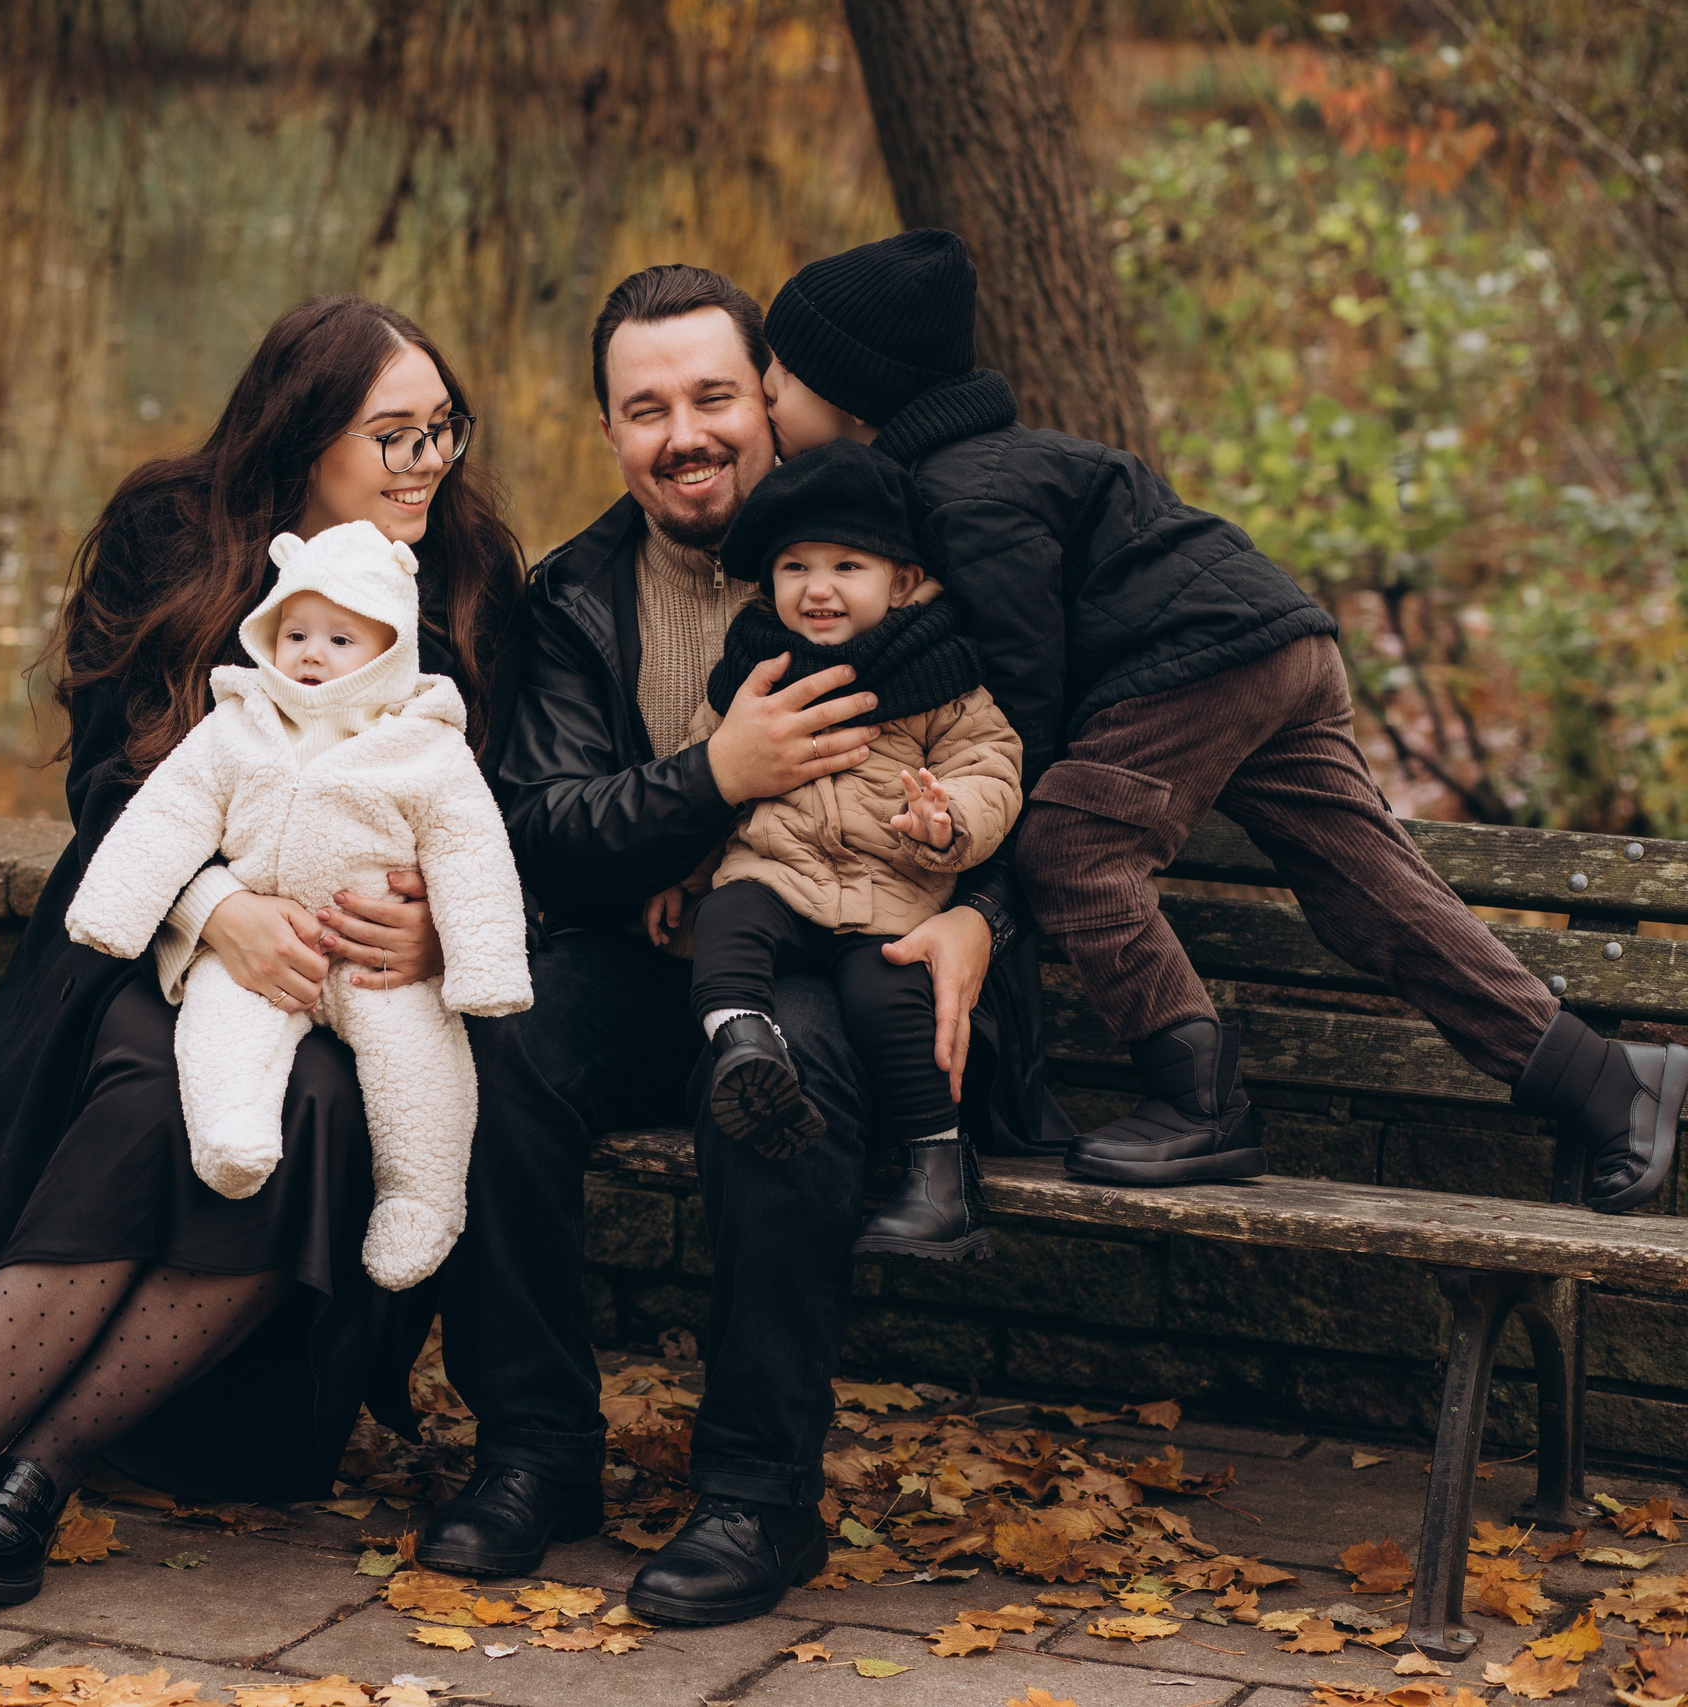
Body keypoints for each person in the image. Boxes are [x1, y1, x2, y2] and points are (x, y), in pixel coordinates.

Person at [0, 296, 527, 1620]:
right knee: (147, 1100)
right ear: (304, 440)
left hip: (365, 986)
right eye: (394, 434)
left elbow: (491, 812)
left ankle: (31, 1477)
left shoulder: (466, 574)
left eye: (442, 430)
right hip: (147, 940)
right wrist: (211, 904)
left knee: (308, 1112)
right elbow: (99, 783)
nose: (428, 462)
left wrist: (432, 930)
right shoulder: (171, 533)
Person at [757, 228, 1684, 1210]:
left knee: (1070, 845)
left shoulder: (957, 493)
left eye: (780, 370)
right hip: (1277, 646)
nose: (767, 388)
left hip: (1194, 666)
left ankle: (1197, 1102)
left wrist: (977, 876)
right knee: (1360, 889)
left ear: (850, 393)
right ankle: (1603, 1081)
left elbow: (1021, 702)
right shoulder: (990, 467)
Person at [417, 264, 1063, 1629]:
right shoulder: (580, 592)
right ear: (607, 431)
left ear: (768, 399)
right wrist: (715, 775)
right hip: (652, 961)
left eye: (714, 394)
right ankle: (537, 1451)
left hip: (844, 962)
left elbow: (1017, 778)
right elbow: (537, 823)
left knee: (788, 1090)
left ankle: (758, 1496)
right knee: (500, 1048)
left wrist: (978, 919)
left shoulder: (897, 548)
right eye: (645, 408)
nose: (685, 432)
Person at [64, 521, 532, 1291]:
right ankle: (232, 1133)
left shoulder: (423, 743)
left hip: (375, 963)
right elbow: (169, 813)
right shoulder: (238, 725)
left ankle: (421, 1199)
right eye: (297, 633)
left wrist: (481, 965)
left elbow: (470, 849)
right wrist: (116, 909)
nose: (312, 652)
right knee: (219, 1029)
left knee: (417, 1068)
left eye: (342, 638)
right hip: (253, 950)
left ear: (391, 648)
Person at [647, 441, 1022, 1262]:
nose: (816, 588)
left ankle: (941, 1177)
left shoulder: (941, 677)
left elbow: (992, 767)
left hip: (893, 894)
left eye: (847, 564)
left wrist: (946, 818)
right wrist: (686, 869)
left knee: (894, 998)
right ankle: (745, 1043)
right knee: (728, 920)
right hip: (775, 874)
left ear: (907, 581)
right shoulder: (756, 670)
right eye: (794, 566)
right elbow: (706, 770)